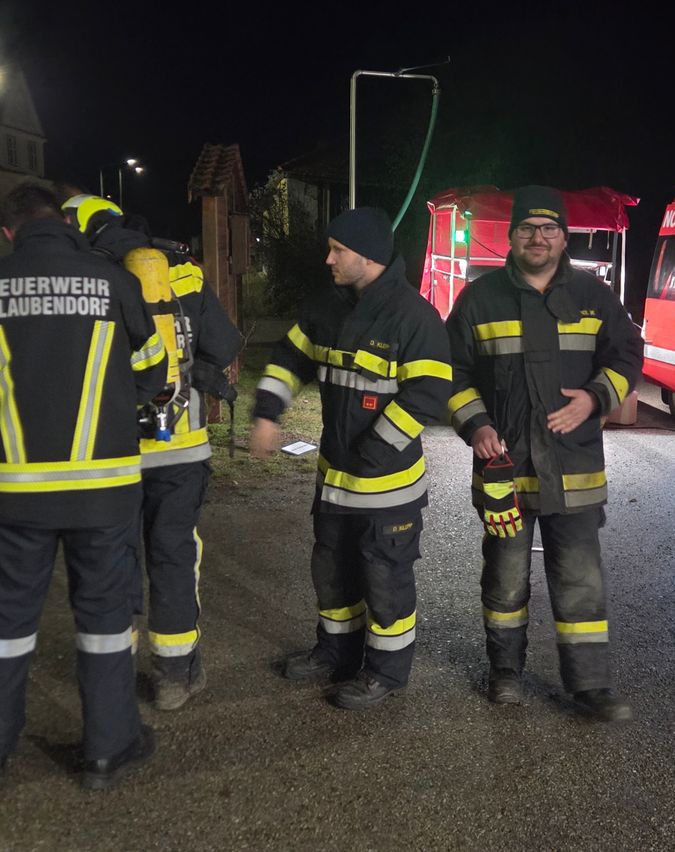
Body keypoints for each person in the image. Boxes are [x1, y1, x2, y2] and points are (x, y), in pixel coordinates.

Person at [445, 185, 643, 721]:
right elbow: (451, 373)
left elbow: (627, 355)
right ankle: (505, 671)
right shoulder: (478, 299)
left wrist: (596, 398)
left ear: (563, 236)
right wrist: (477, 424)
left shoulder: (593, 295)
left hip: (574, 471)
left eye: (549, 228)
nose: (539, 238)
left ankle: (590, 687)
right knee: (505, 578)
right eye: (528, 229)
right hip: (505, 472)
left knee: (581, 581)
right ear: (510, 236)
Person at [249, 207, 452, 710]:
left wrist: (375, 451)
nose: (328, 258)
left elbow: (428, 393)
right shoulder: (328, 306)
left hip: (387, 489)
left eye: (338, 250)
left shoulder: (413, 318)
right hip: (335, 483)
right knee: (332, 573)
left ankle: (385, 673)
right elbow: (289, 358)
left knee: (385, 581)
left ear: (367, 256)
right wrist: (268, 412)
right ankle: (335, 654)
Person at [0, 183, 167, 788]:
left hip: (14, 492)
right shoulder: (114, 281)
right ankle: (106, 749)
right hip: (105, 488)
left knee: (8, 623)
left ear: (9, 232)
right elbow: (153, 373)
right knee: (102, 620)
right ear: (65, 224)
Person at [60, 192, 241, 711]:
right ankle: (175, 676)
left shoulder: (90, 280)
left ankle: (114, 674)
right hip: (181, 445)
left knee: (114, 559)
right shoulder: (180, 271)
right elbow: (224, 345)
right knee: (176, 553)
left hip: (113, 450)